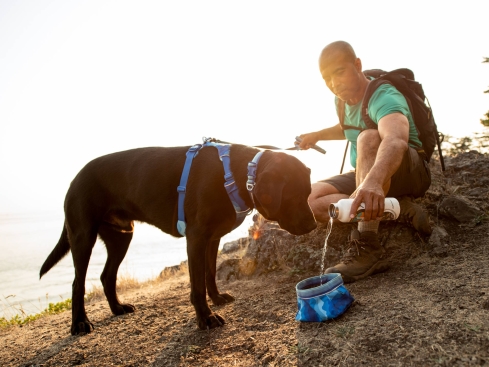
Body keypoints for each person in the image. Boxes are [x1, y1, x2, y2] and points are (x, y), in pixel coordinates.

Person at [298, 41, 432, 283]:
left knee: (369, 136)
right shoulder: (342, 100)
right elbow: (346, 126)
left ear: (357, 65)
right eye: (327, 78)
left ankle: (368, 245)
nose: (334, 83)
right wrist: (316, 135)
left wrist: (371, 183)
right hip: (368, 172)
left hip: (408, 171)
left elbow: (395, 139)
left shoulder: (383, 95)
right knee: (310, 198)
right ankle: (397, 209)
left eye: (339, 72)